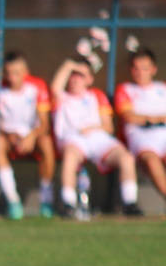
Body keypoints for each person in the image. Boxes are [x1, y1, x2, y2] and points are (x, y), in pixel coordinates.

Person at [50, 58, 143, 217]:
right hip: (74, 139)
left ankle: (130, 203)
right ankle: (68, 203)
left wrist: (91, 128)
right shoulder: (62, 97)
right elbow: (55, 87)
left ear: (90, 79)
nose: (75, 79)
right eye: (73, 74)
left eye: (80, 75)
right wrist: (69, 64)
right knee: (70, 157)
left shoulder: (96, 95)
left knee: (126, 157)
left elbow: (108, 127)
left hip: (98, 138)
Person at [0, 51, 56, 219]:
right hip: (7, 137)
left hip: (31, 136)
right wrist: (9, 134)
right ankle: (13, 201)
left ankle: (46, 199)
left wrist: (31, 136)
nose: (12, 77)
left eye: (16, 73)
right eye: (8, 73)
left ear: (26, 72)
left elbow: (45, 125)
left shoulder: (37, 87)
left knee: (46, 143)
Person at [114, 48, 166, 199]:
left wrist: (147, 118)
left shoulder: (162, 88)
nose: (140, 73)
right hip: (142, 136)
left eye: (144, 68)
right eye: (136, 69)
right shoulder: (125, 89)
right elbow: (130, 117)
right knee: (151, 161)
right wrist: (156, 119)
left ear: (153, 69)